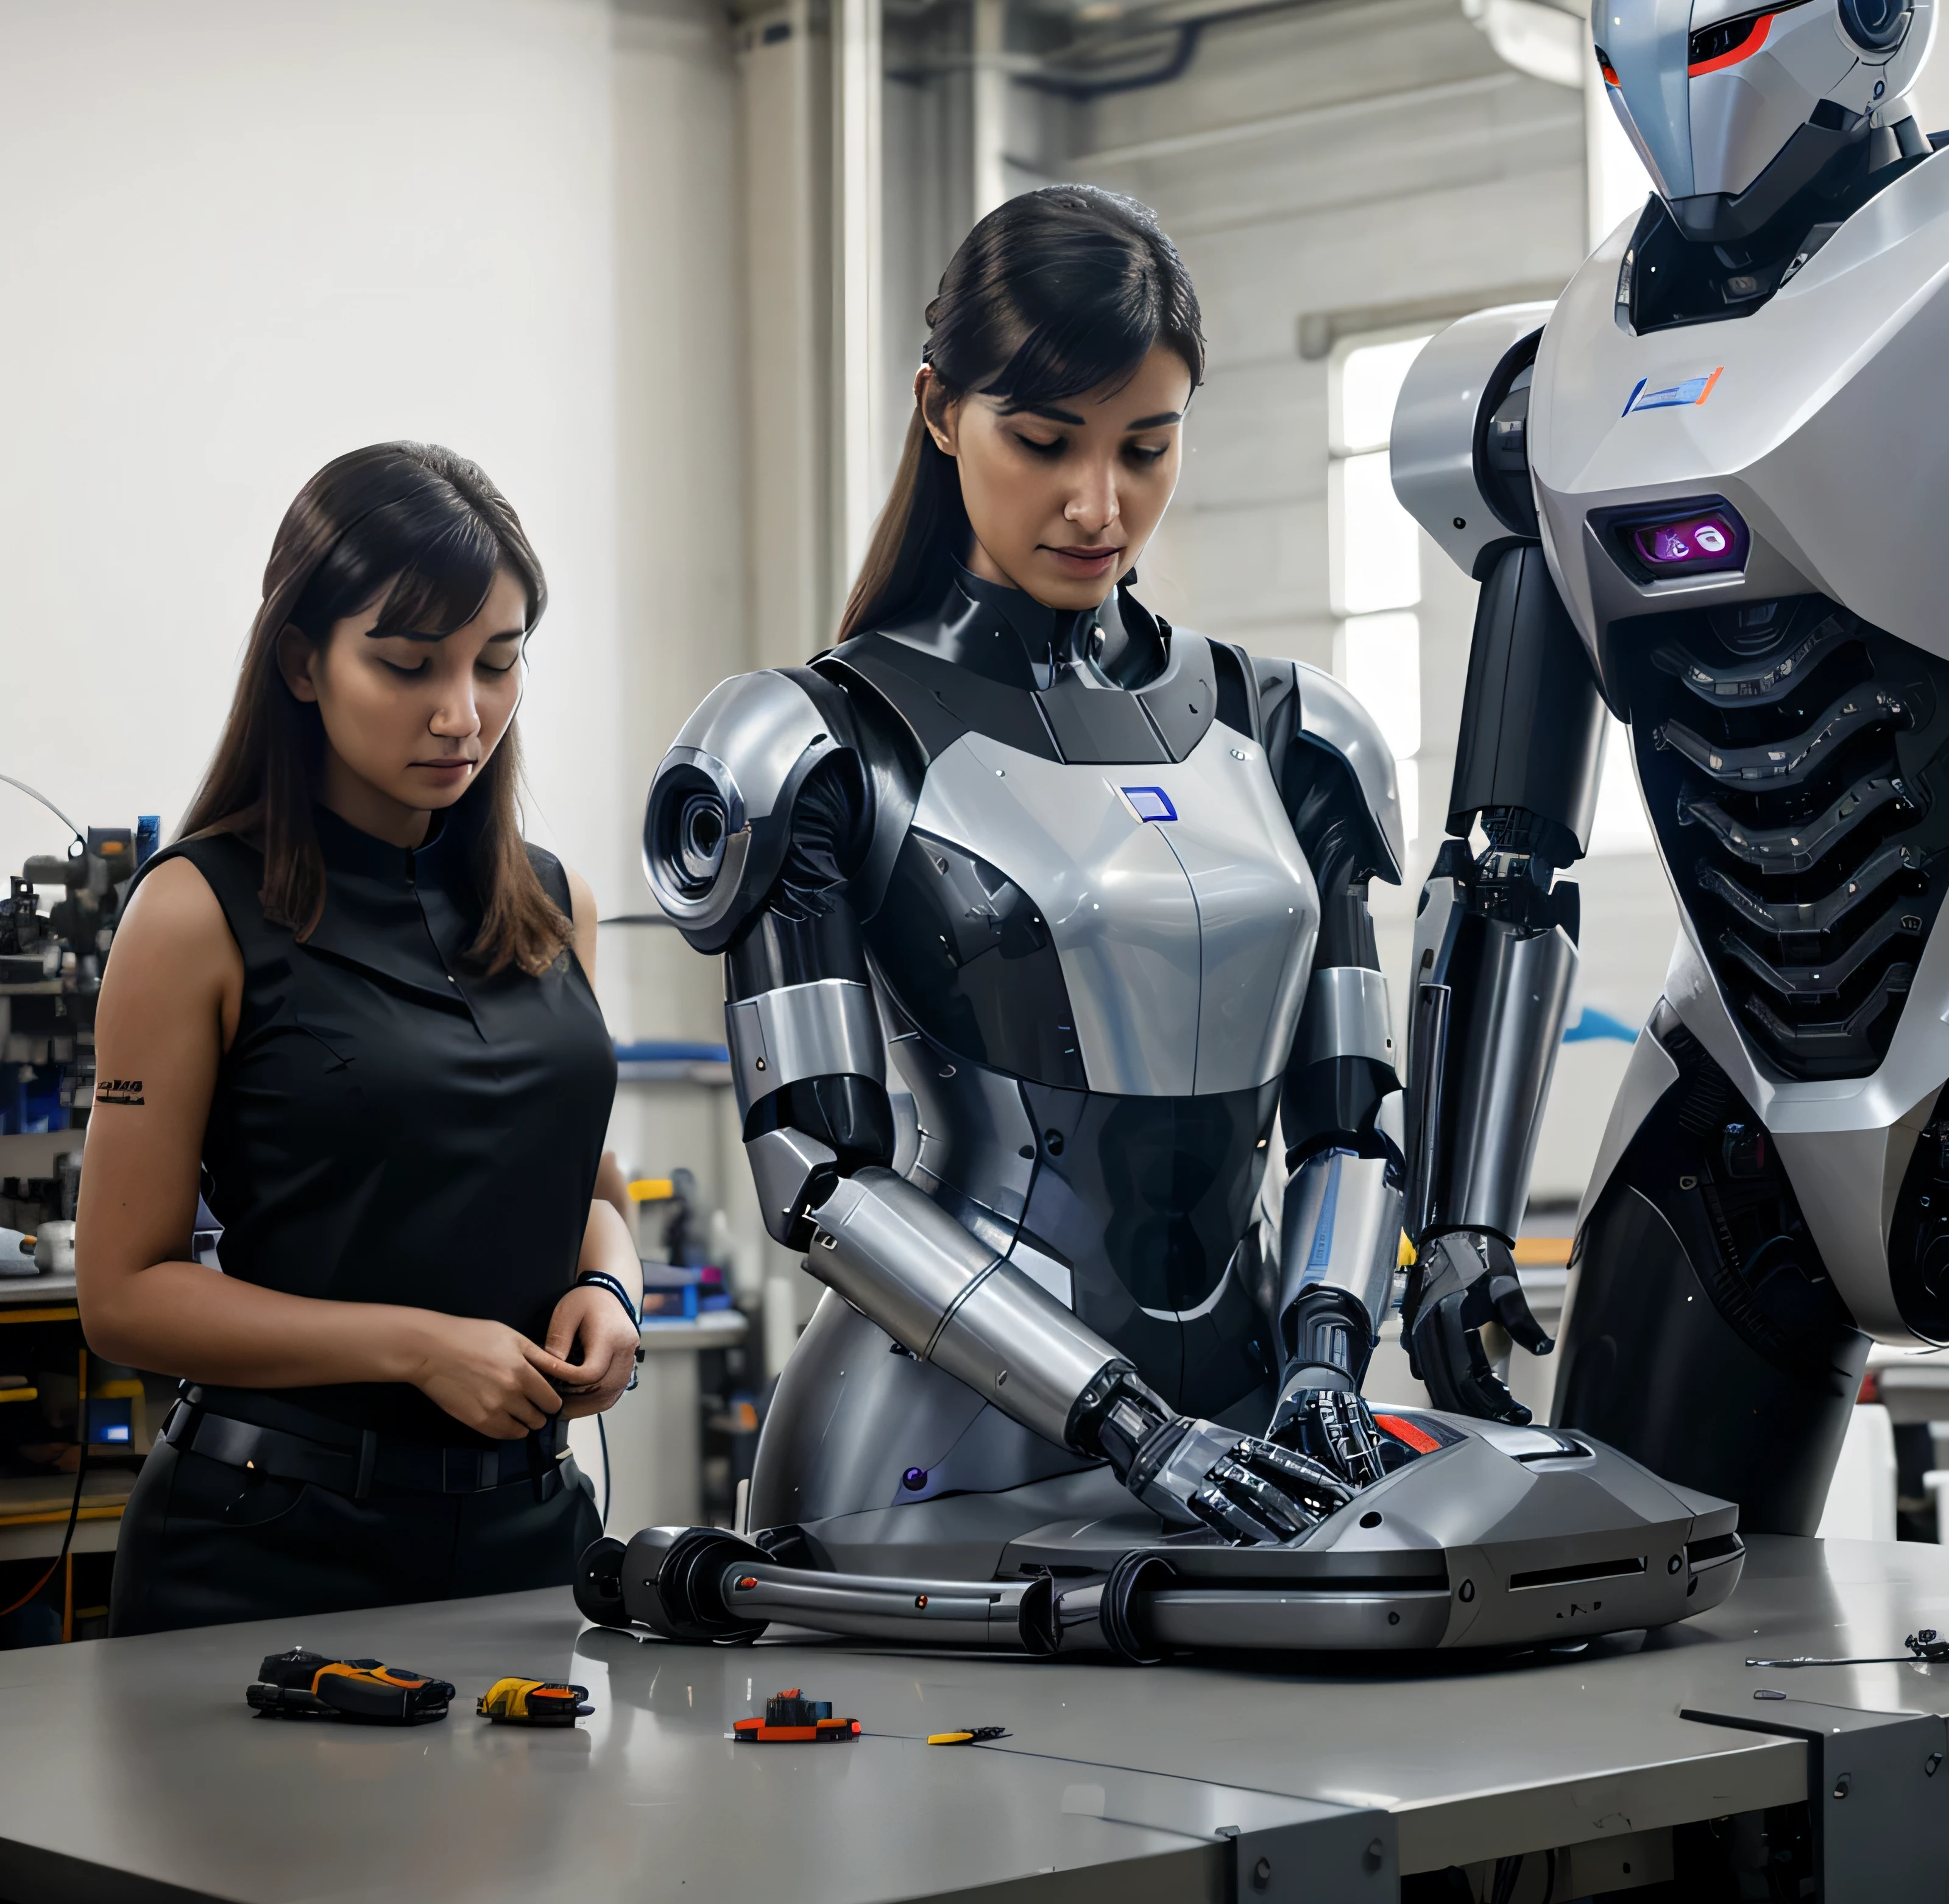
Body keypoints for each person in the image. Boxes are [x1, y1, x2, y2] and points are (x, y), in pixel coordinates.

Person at [640, 185, 1412, 1575]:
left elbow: (1350, 1126)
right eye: (1045, 441)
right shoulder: (817, 740)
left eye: (1147, 445)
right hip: (931, 1448)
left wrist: (1323, 1357)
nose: (1097, 503)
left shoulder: (1289, 728)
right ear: (939, 410)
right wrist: (1127, 1419)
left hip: (1259, 1434)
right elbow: (817, 1175)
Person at [85, 444, 639, 1634]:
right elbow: (123, 1295)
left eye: (497, 664)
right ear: (302, 658)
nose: (461, 712)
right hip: (269, 1548)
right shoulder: (194, 911)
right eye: (406, 664)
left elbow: (586, 1187)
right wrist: (415, 1347)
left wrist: (610, 1284)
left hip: (533, 1541)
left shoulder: (556, 903)